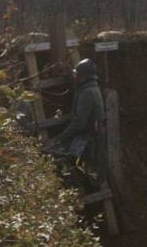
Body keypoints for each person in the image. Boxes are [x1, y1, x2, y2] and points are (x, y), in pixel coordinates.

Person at [44, 58, 107, 190]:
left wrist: (59, 138)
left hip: (88, 138)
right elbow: (76, 88)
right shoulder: (89, 87)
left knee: (59, 154)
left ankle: (74, 190)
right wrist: (67, 73)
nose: (75, 77)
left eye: (77, 75)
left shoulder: (88, 93)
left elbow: (79, 123)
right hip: (89, 134)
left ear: (83, 77)